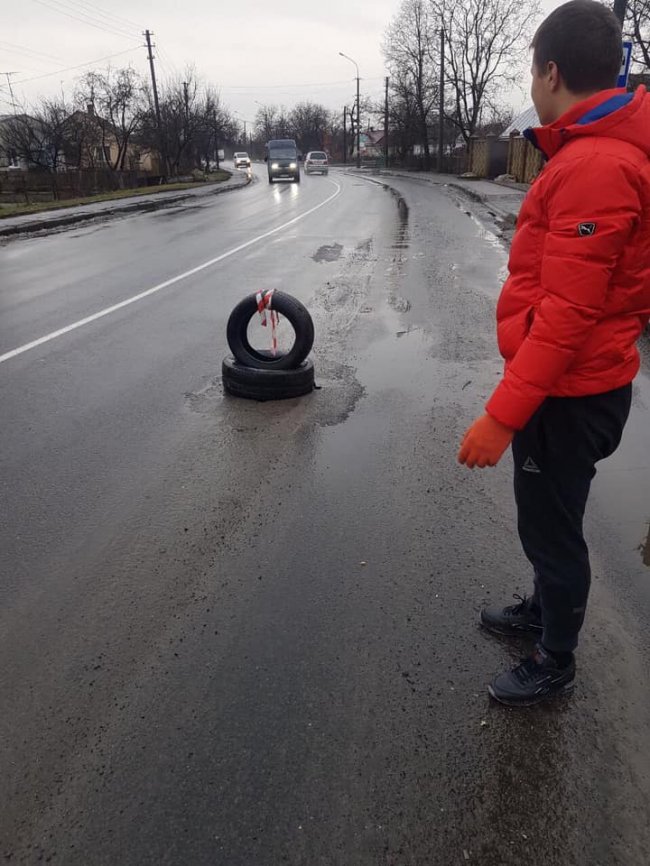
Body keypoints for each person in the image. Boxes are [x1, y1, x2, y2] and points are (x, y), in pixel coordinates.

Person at [457, 0, 650, 706]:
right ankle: (544, 611)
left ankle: (554, 660)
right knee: (548, 517)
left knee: (553, 528)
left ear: (551, 71)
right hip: (572, 387)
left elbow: (567, 317)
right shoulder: (595, 152)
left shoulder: (596, 165)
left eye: (531, 72)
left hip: (569, 395)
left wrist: (503, 416)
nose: (531, 88)